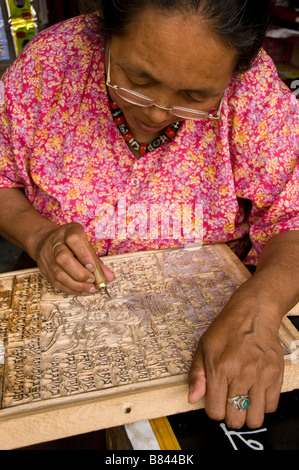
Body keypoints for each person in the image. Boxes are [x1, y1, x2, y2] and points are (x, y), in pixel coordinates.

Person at [0, 0, 298, 430]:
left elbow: (292, 216)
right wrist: (38, 235)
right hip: (60, 315)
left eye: (196, 96)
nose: (157, 113)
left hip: (212, 320)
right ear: (106, 34)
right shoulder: (51, 64)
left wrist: (259, 311)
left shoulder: (254, 92)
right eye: (138, 79)